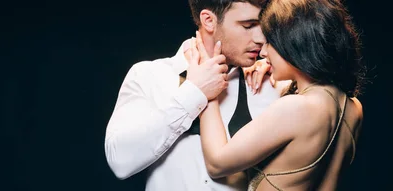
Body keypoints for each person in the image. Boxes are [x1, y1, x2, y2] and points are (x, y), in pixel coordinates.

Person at [104, 0, 289, 190]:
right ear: (208, 20)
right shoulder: (149, 76)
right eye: (248, 26)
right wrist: (193, 93)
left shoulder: (268, 83)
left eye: (263, 25)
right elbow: (120, 161)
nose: (260, 38)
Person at [194, 0, 367, 190]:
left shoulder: (295, 108)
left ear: (293, 44)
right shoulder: (354, 108)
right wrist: (283, 72)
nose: (263, 52)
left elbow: (217, 163)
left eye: (270, 42)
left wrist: (207, 89)